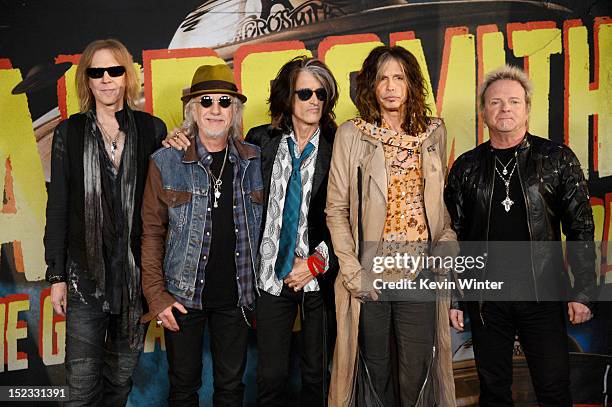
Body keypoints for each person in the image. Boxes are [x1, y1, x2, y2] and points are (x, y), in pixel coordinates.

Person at [444, 65, 596, 406]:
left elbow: (581, 229)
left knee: (553, 388)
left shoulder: (556, 159)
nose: (505, 109)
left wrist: (582, 291)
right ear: (483, 111)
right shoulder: (467, 167)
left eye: (513, 101)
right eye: (495, 102)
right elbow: (453, 234)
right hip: (487, 299)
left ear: (527, 108)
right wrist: (453, 297)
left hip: (542, 295)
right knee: (494, 392)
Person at [326, 45, 457, 407]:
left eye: (399, 77)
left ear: (412, 84)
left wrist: (446, 246)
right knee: (373, 373)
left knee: (415, 374)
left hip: (419, 274)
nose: (390, 86)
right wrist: (353, 273)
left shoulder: (433, 132)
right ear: (370, 86)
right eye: (382, 78)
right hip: (371, 275)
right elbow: (336, 210)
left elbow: (438, 208)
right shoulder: (352, 134)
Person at [43, 39, 167, 405]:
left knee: (119, 381)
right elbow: (59, 207)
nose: (107, 79)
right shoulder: (71, 132)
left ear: (127, 77)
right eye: (97, 72)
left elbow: (165, 204)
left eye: (114, 70)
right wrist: (57, 276)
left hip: (135, 279)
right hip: (85, 279)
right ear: (87, 80)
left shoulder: (152, 130)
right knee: (80, 386)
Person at [140, 63, 263, 406]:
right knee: (183, 389)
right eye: (206, 101)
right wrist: (157, 296)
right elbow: (151, 233)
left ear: (234, 111)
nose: (215, 109)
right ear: (192, 109)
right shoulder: (166, 161)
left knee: (230, 389)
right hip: (181, 296)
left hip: (237, 297)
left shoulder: (254, 160)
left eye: (225, 102)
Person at [244, 56, 339, 406]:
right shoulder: (260, 141)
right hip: (271, 273)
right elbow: (214, 155)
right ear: (287, 98)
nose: (314, 100)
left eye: (321, 94)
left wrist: (314, 264)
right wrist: (180, 138)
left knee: (317, 374)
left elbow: (349, 214)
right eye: (305, 93)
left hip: (319, 274)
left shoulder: (339, 144)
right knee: (270, 376)